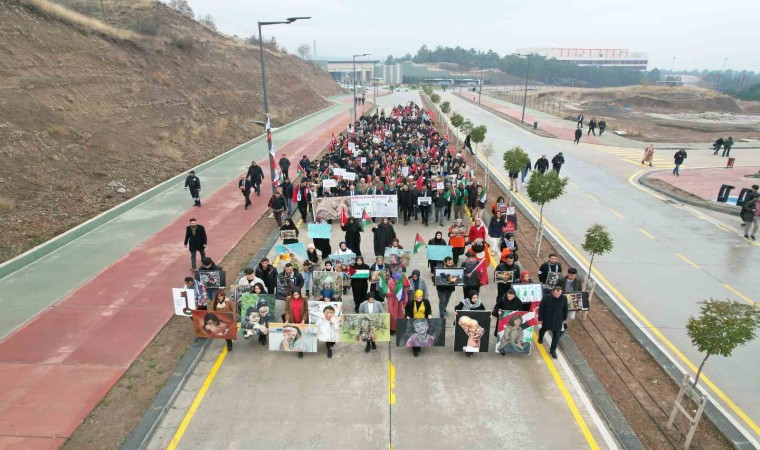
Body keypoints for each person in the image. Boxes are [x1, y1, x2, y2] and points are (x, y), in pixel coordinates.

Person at [538, 286, 569, 358]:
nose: (557, 296)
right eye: (556, 294)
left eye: (559, 294)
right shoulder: (546, 297)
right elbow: (541, 308)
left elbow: (565, 308)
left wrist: (564, 318)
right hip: (547, 318)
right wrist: (540, 318)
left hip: (558, 320)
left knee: (556, 335)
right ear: (552, 292)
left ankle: (553, 350)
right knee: (543, 329)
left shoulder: (564, 298)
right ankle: (540, 337)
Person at [404, 290, 433, 357]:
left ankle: (419, 345)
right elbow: (406, 309)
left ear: (422, 297)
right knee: (415, 335)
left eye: (420, 298)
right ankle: (415, 350)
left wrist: (429, 314)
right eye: (417, 298)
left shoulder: (426, 302)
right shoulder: (411, 302)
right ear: (415, 297)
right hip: (413, 320)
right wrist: (407, 315)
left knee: (421, 334)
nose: (419, 299)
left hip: (423, 320)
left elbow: (429, 309)